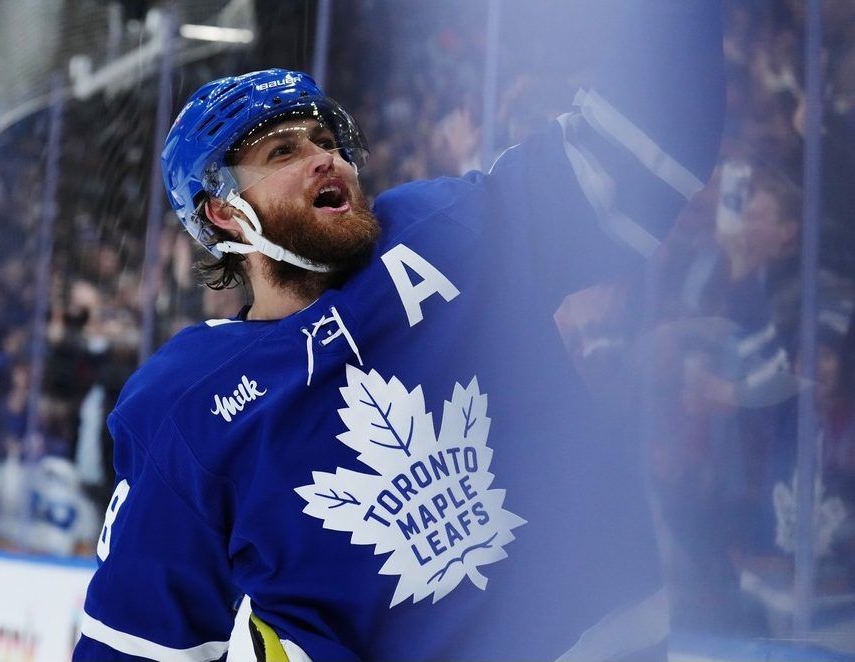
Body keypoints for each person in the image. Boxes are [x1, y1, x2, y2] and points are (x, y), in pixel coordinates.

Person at [74, 3, 725, 660]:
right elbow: (134, 642)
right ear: (225, 214)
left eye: (327, 142)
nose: (324, 158)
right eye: (283, 151)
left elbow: (635, 154)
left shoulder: (442, 232)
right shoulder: (187, 404)